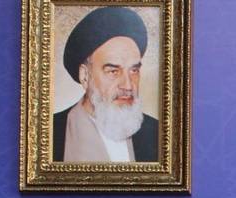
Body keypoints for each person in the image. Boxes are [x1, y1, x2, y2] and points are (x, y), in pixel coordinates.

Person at [52, 6, 159, 162]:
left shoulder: (158, 133)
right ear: (85, 76)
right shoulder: (49, 133)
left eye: (134, 70)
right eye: (113, 71)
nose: (128, 86)